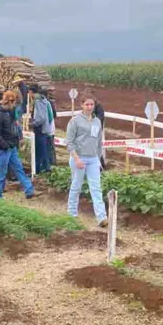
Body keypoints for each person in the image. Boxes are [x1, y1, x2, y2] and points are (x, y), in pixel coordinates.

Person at [66, 97, 108, 228]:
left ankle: (101, 217)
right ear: (82, 105)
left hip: (93, 159)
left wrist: (99, 159)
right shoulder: (75, 121)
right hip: (79, 158)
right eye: (87, 104)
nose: (89, 107)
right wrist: (76, 159)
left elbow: (99, 143)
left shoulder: (97, 122)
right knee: (76, 186)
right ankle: (71, 214)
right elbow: (69, 142)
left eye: (92, 104)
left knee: (96, 187)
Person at [0, 90, 39, 200]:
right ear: (9, 102)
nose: (14, 105)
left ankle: (29, 190)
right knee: (1, 171)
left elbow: (15, 124)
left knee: (19, 168)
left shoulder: (10, 112)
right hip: (4, 148)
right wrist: (5, 145)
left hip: (11, 146)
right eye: (14, 103)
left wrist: (19, 135)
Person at [29, 84, 54, 174]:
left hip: (40, 128)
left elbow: (42, 118)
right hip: (43, 128)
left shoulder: (38, 101)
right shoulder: (42, 99)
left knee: (41, 149)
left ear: (31, 92)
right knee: (41, 149)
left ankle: (45, 168)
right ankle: (41, 168)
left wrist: (33, 123)